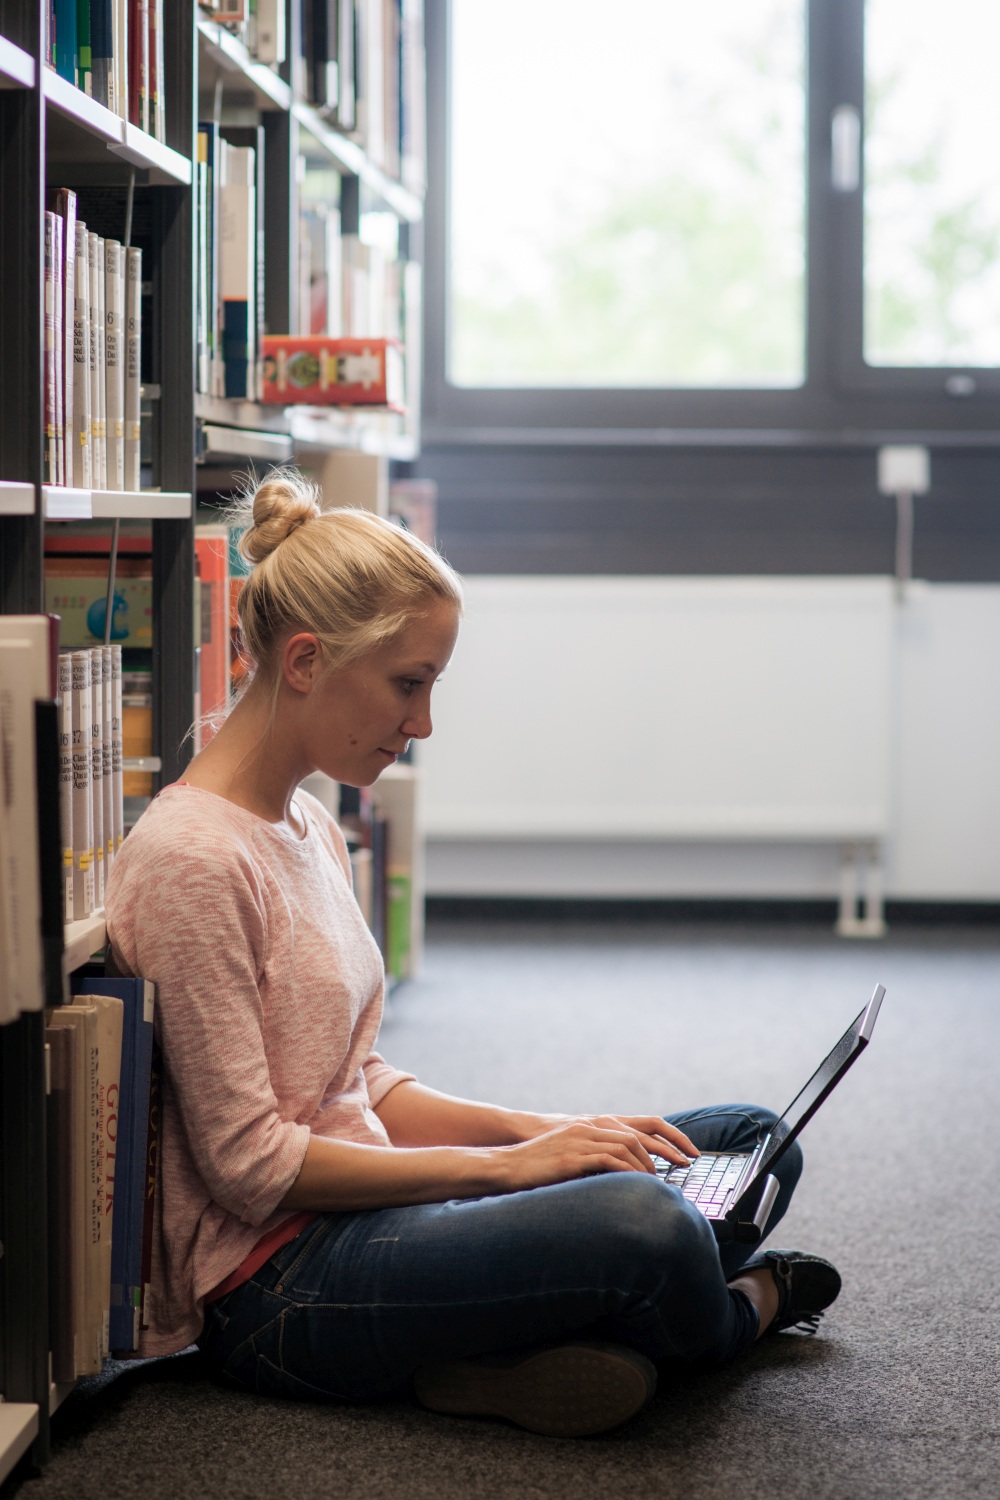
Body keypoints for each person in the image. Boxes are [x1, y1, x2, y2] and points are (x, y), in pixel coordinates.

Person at [104, 468, 841, 1439]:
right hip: (281, 1287)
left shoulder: (308, 825)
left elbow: (357, 1078)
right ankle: (746, 1308)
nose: (421, 725)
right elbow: (252, 1170)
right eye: (408, 685)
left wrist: (555, 1131)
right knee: (649, 1225)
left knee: (750, 1139)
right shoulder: (190, 862)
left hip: (385, 1222)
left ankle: (501, 1352)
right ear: (306, 661)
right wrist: (512, 1170)